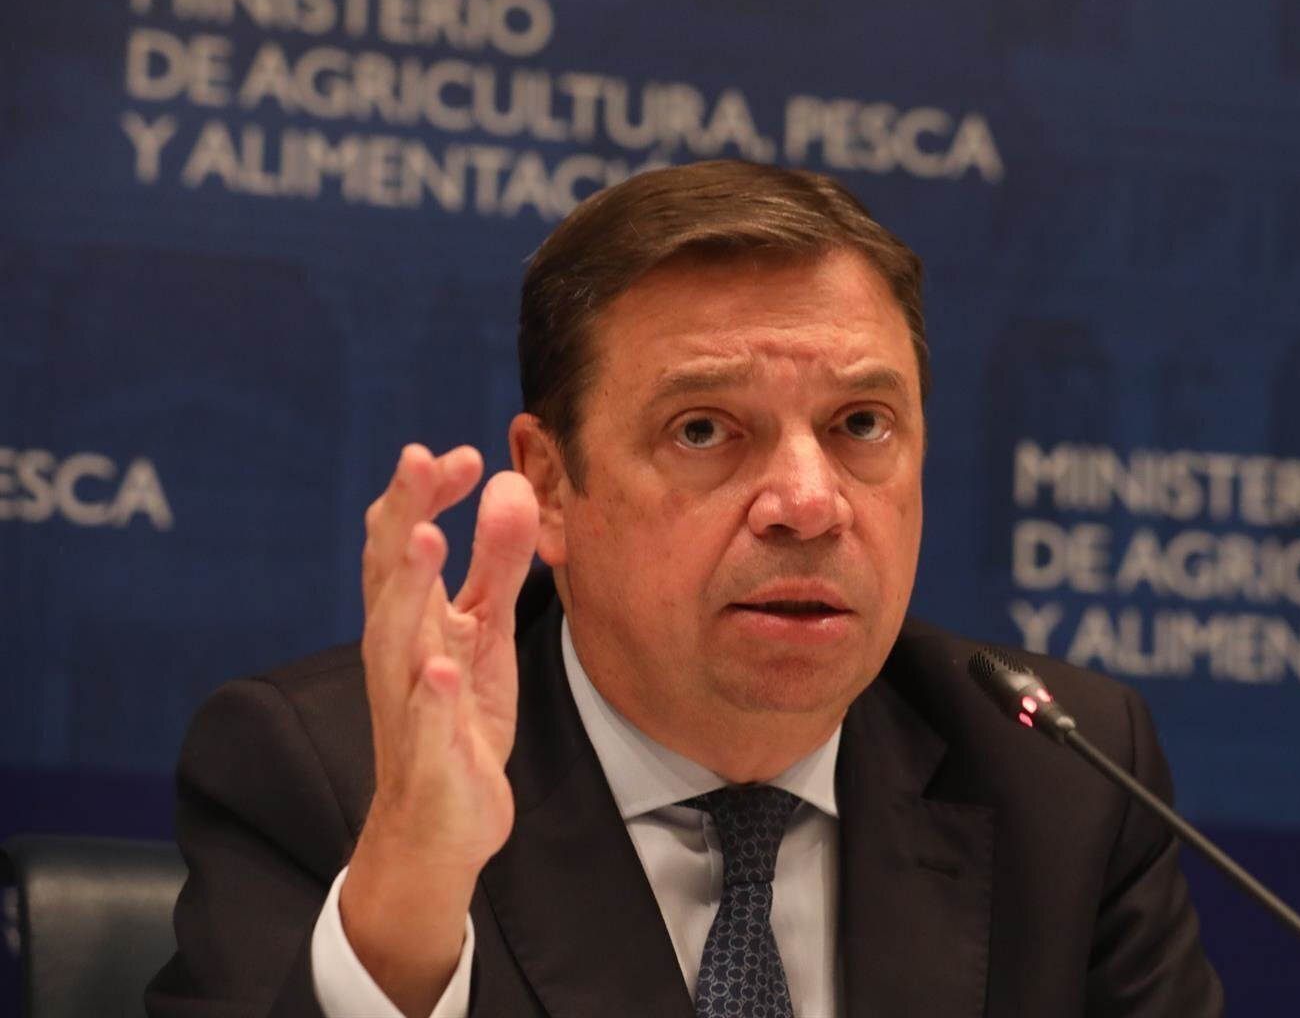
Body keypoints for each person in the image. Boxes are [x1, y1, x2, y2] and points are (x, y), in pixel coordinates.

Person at [148, 160, 1223, 1017]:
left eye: (861, 424)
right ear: (553, 483)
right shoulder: (338, 778)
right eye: (704, 429)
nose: (809, 501)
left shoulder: (1061, 775)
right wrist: (409, 899)